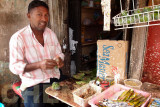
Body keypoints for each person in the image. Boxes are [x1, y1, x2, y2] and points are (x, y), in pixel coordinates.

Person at [9, 0, 64, 107]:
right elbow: (14, 67)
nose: (44, 19)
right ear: (29, 16)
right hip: (33, 84)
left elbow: (59, 53)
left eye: (46, 15)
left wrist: (59, 59)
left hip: (54, 78)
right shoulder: (18, 38)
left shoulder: (51, 34)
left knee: (74, 97)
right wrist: (38, 65)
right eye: (39, 14)